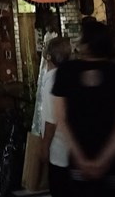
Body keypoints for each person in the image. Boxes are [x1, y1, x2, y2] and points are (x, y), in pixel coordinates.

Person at [52, 21, 115, 197]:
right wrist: (103, 161)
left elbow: (60, 118)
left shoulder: (66, 72)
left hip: (80, 169)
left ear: (86, 42)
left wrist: (81, 160)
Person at [40, 36, 71, 197]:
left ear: (48, 57)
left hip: (58, 151)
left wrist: (44, 147)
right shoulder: (71, 76)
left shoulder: (51, 81)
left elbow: (51, 121)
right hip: (74, 151)